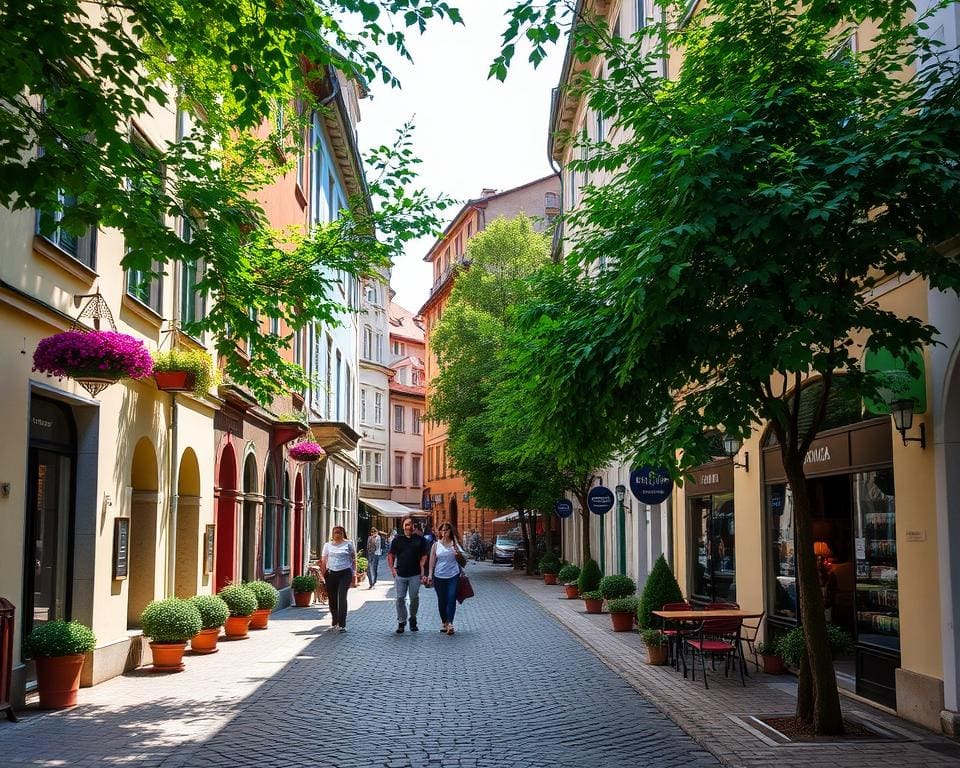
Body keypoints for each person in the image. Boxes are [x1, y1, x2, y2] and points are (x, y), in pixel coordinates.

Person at [387, 516, 429, 634]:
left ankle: (413, 618)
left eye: (410, 525)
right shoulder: (397, 540)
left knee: (414, 598)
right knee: (400, 598)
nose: (408, 527)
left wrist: (422, 568)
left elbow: (424, 555)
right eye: (406, 525)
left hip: (415, 574)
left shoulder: (420, 540)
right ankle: (401, 621)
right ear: (403, 527)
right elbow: (390, 555)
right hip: (400, 574)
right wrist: (392, 570)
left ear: (414, 526)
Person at [426, 522, 465, 635]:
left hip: (453, 575)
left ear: (450, 531)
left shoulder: (455, 544)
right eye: (442, 530)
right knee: (442, 600)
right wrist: (429, 575)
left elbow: (463, 559)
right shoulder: (436, 545)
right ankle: (444, 621)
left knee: (451, 597)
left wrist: (457, 553)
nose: (444, 532)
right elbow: (432, 561)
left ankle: (450, 623)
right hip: (439, 576)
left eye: (446, 530)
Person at [321, 525, 356, 632]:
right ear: (332, 534)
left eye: (339, 532)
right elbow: (324, 561)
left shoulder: (349, 544)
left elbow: (354, 559)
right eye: (335, 532)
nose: (337, 534)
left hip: (345, 573)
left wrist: (354, 574)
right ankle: (335, 619)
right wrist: (322, 577)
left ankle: (342, 624)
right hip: (331, 574)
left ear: (343, 534)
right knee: (332, 598)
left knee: (341, 597)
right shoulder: (327, 545)